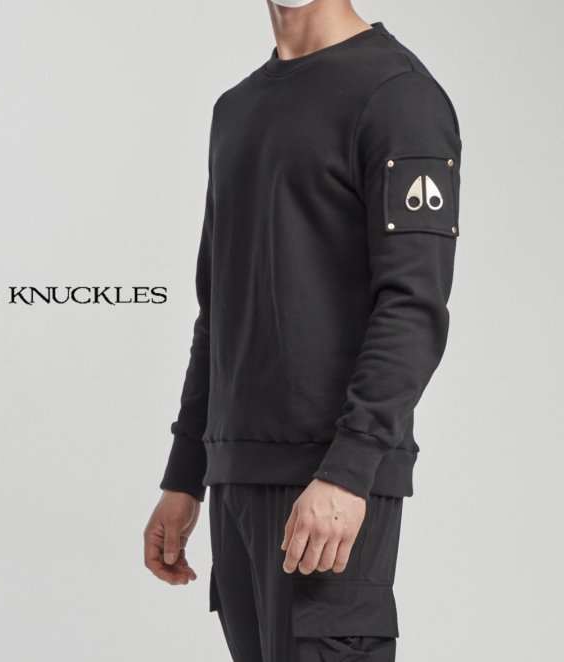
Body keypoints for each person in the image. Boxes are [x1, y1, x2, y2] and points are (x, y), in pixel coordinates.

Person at [144, 1, 462, 660]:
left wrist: (349, 471)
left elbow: (413, 305)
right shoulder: (236, 110)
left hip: (330, 479)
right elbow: (219, 309)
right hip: (236, 475)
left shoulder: (398, 97)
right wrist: (186, 473)